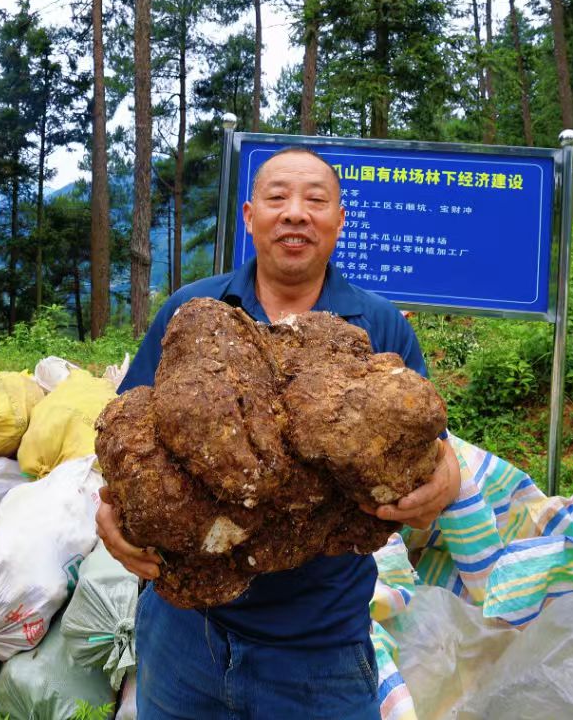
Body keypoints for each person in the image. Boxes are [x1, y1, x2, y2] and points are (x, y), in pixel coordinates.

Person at [97, 145, 462, 720]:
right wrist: (112, 515)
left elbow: (427, 449)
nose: (295, 213)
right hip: (186, 632)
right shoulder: (195, 311)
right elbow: (126, 432)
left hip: (320, 643)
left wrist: (445, 477)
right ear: (249, 216)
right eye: (277, 198)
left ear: (339, 220)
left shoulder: (380, 324)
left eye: (315, 200)